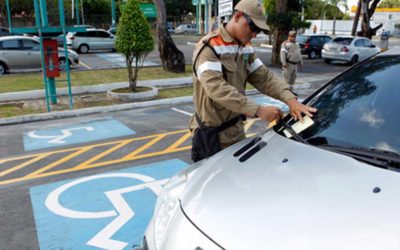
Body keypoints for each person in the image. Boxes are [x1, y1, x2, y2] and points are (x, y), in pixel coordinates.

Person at [189, 0, 317, 162]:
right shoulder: (210, 47)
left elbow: (264, 77)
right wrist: (258, 110)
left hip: (236, 131)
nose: (255, 34)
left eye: (259, 31)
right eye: (253, 28)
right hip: (211, 136)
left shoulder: (245, 48)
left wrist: (290, 100)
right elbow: (217, 89)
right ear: (238, 16)